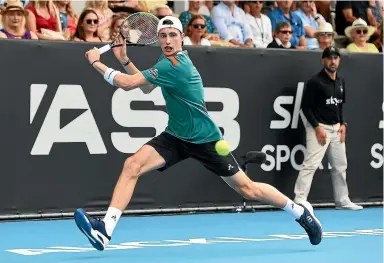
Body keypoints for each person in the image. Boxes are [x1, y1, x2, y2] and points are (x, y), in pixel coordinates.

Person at [74, 16, 323, 251]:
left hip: (206, 140)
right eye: (163, 36)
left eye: (173, 35)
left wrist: (96, 61)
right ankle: (105, 229)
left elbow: (127, 85)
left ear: (182, 37)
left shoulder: (176, 66)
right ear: (158, 39)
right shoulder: (164, 64)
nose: (168, 40)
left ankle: (300, 212)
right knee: (132, 165)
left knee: (248, 190)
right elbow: (148, 87)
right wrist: (124, 60)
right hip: (175, 136)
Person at [293, 46, 363, 211]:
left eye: (335, 58)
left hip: (336, 129)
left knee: (340, 166)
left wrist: (343, 124)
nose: (333, 61)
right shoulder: (315, 82)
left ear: (339, 60)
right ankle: (299, 199)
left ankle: (342, 200)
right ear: (323, 60)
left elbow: (340, 106)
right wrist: (317, 127)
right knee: (311, 164)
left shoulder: (341, 81)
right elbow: (306, 108)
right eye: (329, 58)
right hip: (319, 128)